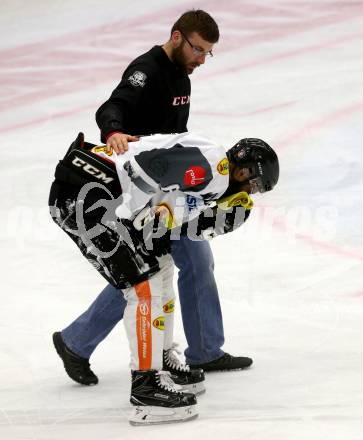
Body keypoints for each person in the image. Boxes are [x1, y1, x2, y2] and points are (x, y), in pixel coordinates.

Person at [53, 9, 252, 389]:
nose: (201, 59)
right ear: (177, 37)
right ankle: (76, 341)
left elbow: (176, 138)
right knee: (142, 276)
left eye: (208, 53)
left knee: (187, 262)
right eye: (198, 49)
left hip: (168, 191)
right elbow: (113, 106)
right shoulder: (146, 70)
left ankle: (206, 349)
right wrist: (113, 130)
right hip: (135, 193)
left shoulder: (183, 77)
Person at [49, 131, 279, 424]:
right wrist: (133, 217)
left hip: (99, 193)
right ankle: (145, 388)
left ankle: (159, 364)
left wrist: (168, 215)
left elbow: (172, 202)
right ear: (243, 170)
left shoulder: (214, 175)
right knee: (142, 287)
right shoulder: (212, 168)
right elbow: (149, 166)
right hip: (86, 196)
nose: (251, 192)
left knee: (161, 267)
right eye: (254, 185)